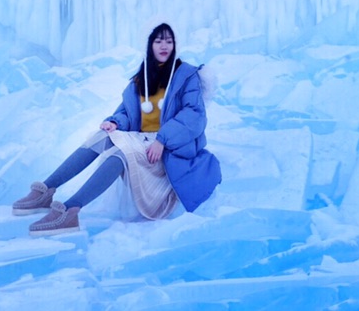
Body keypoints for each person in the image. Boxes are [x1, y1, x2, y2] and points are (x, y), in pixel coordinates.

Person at [12, 23, 221, 235]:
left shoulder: (187, 76)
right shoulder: (142, 78)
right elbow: (127, 112)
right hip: (142, 140)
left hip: (169, 150)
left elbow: (193, 116)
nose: (164, 45)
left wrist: (163, 140)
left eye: (169, 41)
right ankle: (46, 191)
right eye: (158, 41)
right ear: (149, 45)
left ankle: (70, 210)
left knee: (123, 153)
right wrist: (115, 123)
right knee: (102, 136)